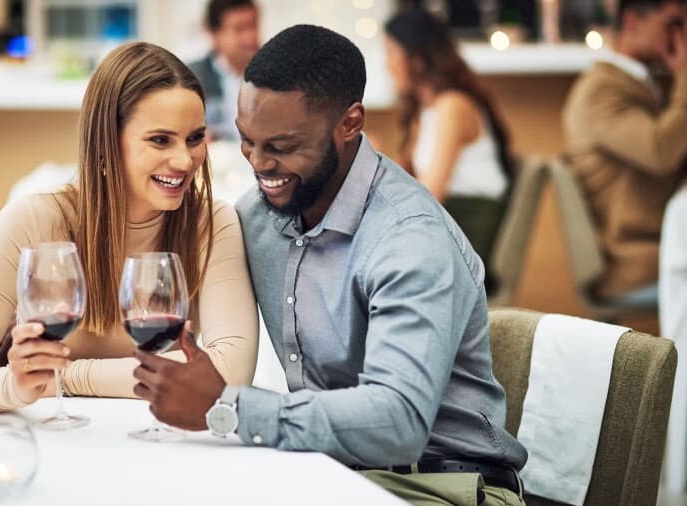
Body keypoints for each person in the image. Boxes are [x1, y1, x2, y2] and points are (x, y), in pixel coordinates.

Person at [132, 25, 527, 506]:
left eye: (282, 147)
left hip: (443, 486)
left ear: (350, 123)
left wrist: (230, 408)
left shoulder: (409, 239)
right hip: (332, 473)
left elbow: (398, 422)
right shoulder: (258, 218)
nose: (259, 164)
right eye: (248, 141)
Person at [0, 42, 259, 411]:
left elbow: (229, 373)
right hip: (50, 439)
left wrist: (64, 377)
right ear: (105, 142)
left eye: (194, 138)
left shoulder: (212, 223)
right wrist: (13, 386)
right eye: (160, 140)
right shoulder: (34, 221)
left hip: (157, 436)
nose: (184, 160)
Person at [563, 0, 687, 304]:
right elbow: (661, 152)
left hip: (665, 246)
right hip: (638, 262)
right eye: (673, 24)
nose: (683, 36)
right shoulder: (600, 90)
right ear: (632, 22)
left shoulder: (643, 82)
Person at [384, 8, 512, 285]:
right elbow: (403, 182)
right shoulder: (425, 112)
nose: (387, 64)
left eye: (391, 52)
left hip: (467, 233)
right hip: (445, 228)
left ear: (416, 58)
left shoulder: (453, 106)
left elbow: (431, 193)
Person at [188, 0, 260, 141]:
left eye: (253, 25)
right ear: (215, 35)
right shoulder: (191, 78)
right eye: (240, 29)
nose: (250, 37)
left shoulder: (273, 76)